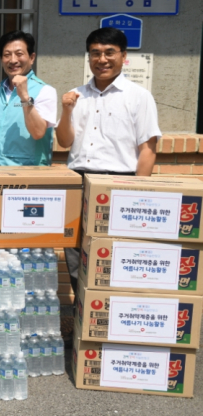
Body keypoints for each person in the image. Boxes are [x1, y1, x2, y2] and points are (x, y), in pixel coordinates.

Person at [55, 27, 161, 298]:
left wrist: (137, 195)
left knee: (115, 253)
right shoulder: (76, 95)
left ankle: (110, 314)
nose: (101, 59)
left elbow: (148, 149)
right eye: (95, 53)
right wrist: (66, 110)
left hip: (119, 182)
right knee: (75, 250)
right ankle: (82, 313)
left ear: (124, 56)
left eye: (109, 53)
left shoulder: (138, 96)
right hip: (78, 180)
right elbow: (64, 142)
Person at [0, 30, 57, 166]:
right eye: (7, 55)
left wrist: (25, 98)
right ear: (1, 59)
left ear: (32, 58)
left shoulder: (45, 91)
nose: (13, 60)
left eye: (19, 54)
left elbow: (38, 132)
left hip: (27, 173)